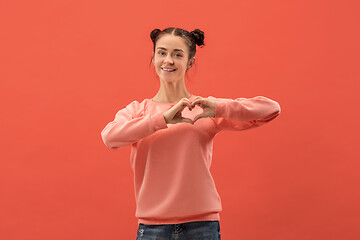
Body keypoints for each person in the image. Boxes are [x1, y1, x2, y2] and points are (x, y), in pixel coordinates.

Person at [101, 27, 281, 240]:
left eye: (177, 54)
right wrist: (163, 119)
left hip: (202, 226)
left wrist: (219, 108)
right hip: (152, 228)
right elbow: (110, 137)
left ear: (190, 62)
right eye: (162, 52)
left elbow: (270, 109)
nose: (168, 60)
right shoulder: (138, 111)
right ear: (153, 56)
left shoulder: (205, 109)